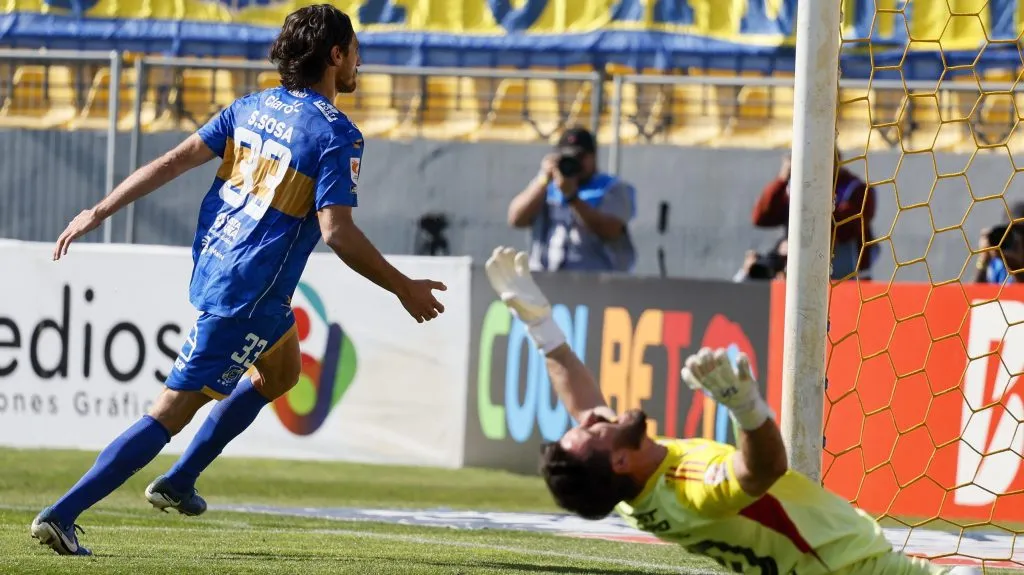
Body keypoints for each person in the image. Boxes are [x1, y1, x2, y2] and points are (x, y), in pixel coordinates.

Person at [32, 5, 447, 556]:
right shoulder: (336, 134)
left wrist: (99, 210)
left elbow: (173, 161)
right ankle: (62, 514)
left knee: (282, 371)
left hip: (224, 267)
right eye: (355, 51)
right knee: (171, 411)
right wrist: (402, 286)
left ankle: (179, 482)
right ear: (336, 55)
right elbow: (337, 232)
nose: (360, 63)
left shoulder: (250, 107)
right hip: (249, 292)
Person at [483, 246, 979, 575]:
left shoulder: (632, 487)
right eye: (592, 431)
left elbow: (583, 404)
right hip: (853, 568)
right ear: (618, 459)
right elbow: (762, 469)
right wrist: (745, 408)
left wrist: (542, 328)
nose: (592, 417)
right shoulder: (688, 490)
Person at [506, 126, 636, 273]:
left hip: (595, 279)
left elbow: (610, 230)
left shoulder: (612, 188)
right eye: (566, 157)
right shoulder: (546, 186)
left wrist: (572, 197)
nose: (573, 162)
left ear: (593, 157)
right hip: (545, 277)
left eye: (579, 157)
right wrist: (543, 179)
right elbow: (516, 219)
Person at [750, 151, 877, 280]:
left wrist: (801, 244)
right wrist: (782, 178)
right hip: (798, 267)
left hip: (842, 272)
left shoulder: (854, 189)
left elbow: (848, 229)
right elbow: (760, 218)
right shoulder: (794, 186)